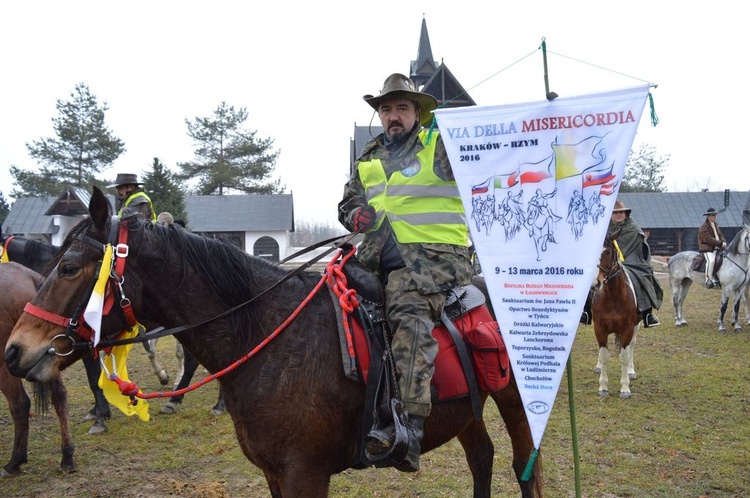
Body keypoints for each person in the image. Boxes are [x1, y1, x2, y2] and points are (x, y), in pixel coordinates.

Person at [338, 73, 473, 472]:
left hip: (432, 262)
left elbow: (487, 149)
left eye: (401, 107)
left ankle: (407, 428)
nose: (393, 115)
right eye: (386, 109)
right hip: (376, 256)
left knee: (408, 314)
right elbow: (347, 204)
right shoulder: (369, 156)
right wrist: (354, 215)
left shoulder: (439, 145)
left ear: (417, 112)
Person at [608, 200, 663, 328]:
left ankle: (647, 314)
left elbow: (642, 248)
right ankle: (586, 310)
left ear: (626, 214)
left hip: (632, 262)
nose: (618, 215)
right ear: (610, 215)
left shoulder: (633, 228)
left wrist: (634, 261)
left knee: (641, 277)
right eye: (615, 213)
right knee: (591, 278)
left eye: (621, 212)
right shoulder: (603, 229)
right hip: (608, 262)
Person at [698, 207, 726, 288]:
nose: (715, 217)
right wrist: (720, 244)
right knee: (712, 261)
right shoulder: (703, 227)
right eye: (713, 215)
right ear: (708, 216)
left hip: (717, 247)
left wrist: (723, 241)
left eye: (715, 215)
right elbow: (708, 239)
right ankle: (708, 280)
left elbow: (720, 234)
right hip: (707, 248)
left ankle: (717, 277)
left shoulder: (715, 224)